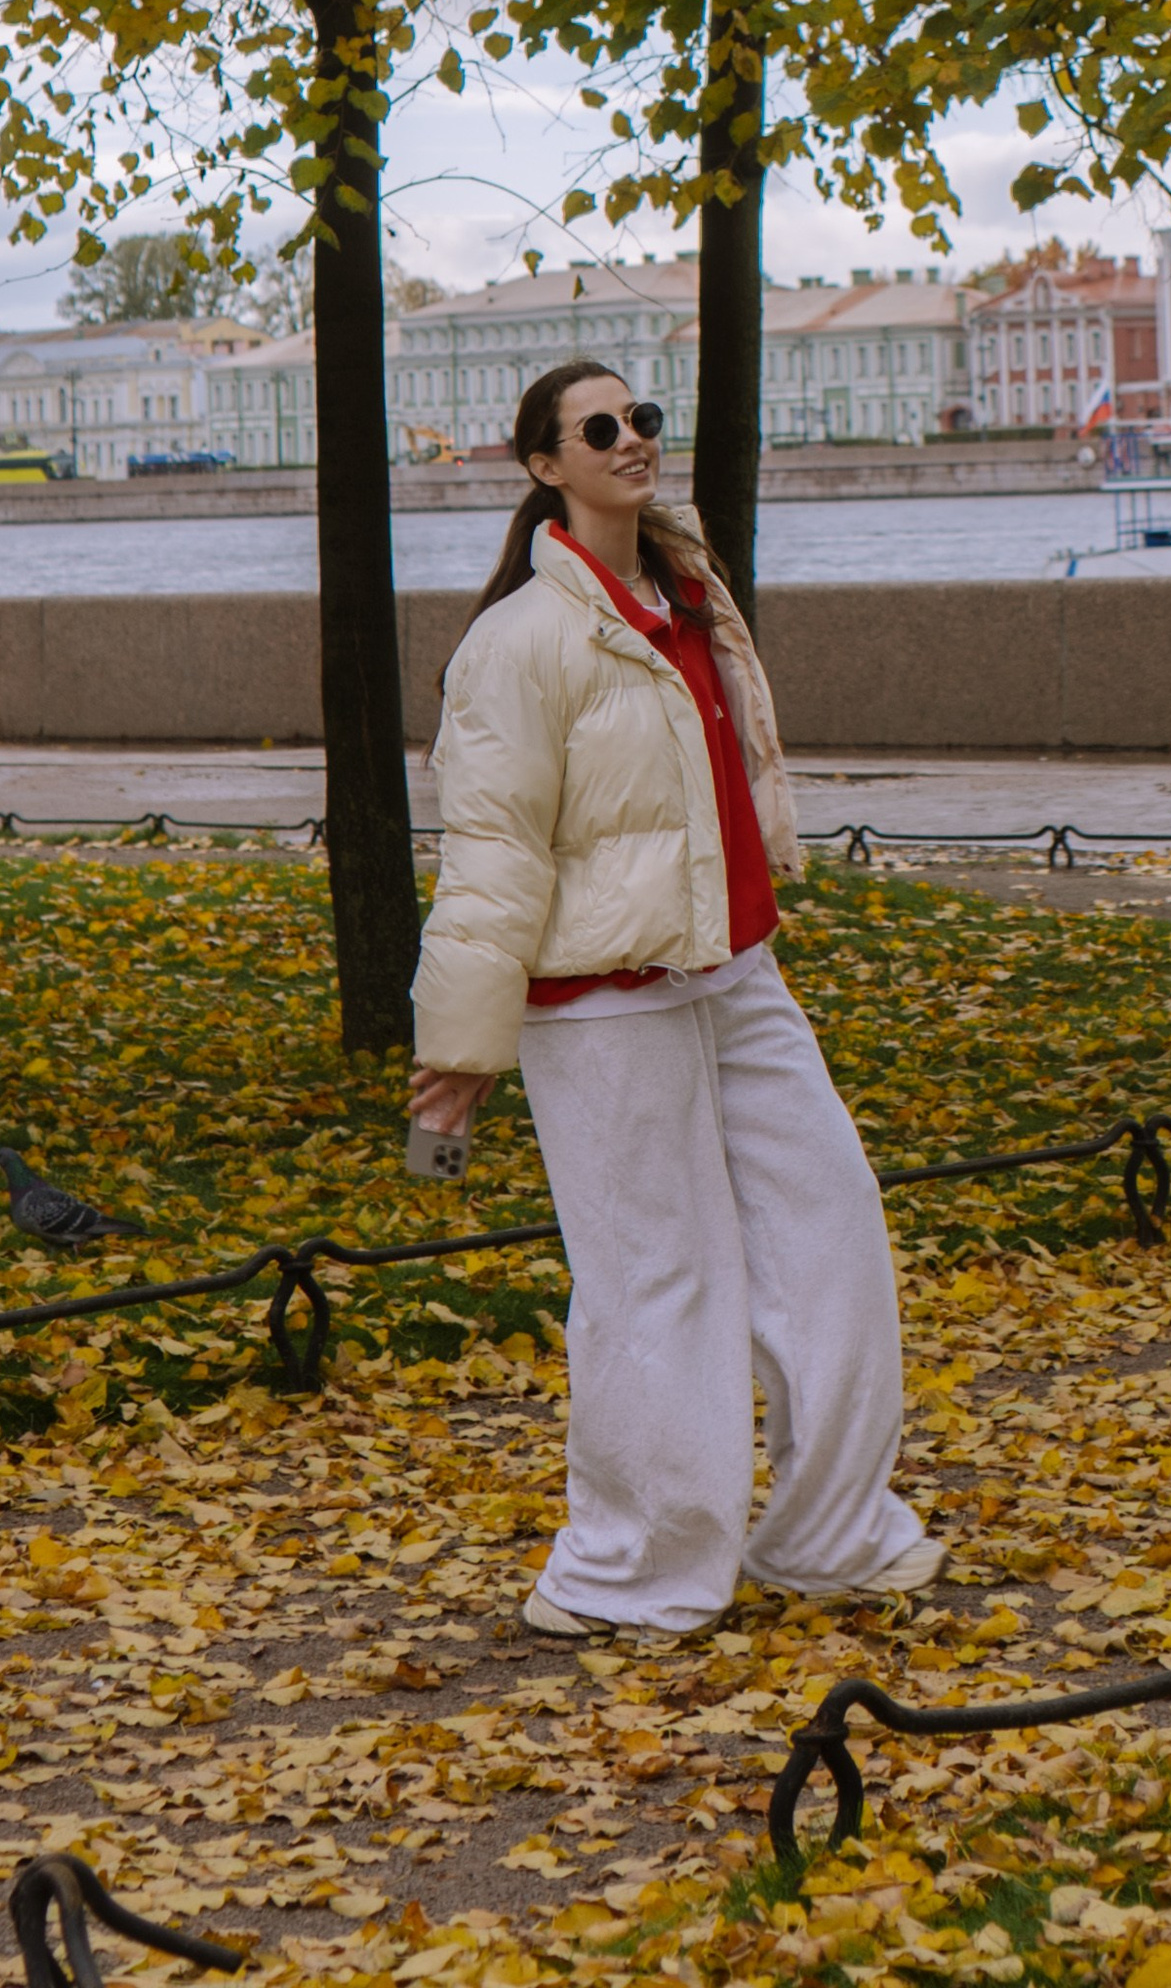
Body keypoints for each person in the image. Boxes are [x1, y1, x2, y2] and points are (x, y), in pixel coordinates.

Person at [408, 357, 943, 1638]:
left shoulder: (686, 591)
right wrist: (463, 1051)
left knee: (834, 1237)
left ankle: (829, 1534)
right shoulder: (519, 643)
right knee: (658, 1282)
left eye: (643, 417)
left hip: (734, 974)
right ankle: (630, 1570)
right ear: (545, 465)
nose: (633, 440)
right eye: (600, 428)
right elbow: (493, 855)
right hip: (602, 1004)